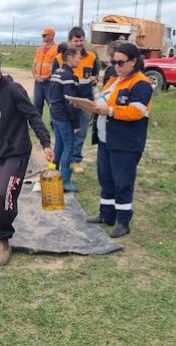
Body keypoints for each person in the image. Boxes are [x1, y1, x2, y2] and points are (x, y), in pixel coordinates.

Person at [0, 55, 54, 266]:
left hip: (17, 153)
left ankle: (4, 241)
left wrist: (46, 143)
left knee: (6, 195)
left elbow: (33, 116)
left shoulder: (13, 91)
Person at [80, 43, 153, 238]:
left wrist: (110, 111)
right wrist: (92, 108)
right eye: (113, 62)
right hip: (106, 139)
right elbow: (102, 102)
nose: (116, 66)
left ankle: (123, 221)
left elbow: (137, 111)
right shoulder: (113, 80)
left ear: (134, 62)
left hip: (126, 142)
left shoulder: (141, 84)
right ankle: (106, 215)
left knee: (123, 182)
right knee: (106, 178)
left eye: (121, 63)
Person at [53, 26, 100, 174]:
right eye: (76, 40)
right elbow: (54, 83)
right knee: (65, 138)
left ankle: (75, 161)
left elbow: (96, 74)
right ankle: (62, 171)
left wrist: (95, 79)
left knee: (81, 133)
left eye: (81, 40)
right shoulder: (59, 58)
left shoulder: (92, 57)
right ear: (70, 41)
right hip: (67, 104)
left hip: (85, 101)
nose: (79, 43)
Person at [48, 47, 82, 192]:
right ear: (69, 58)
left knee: (59, 146)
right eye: (77, 57)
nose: (79, 60)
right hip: (64, 117)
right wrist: (75, 122)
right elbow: (70, 102)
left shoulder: (57, 72)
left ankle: (51, 174)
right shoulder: (68, 76)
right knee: (69, 147)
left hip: (55, 114)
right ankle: (65, 181)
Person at [32, 27, 59, 118]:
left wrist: (47, 77)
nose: (43, 37)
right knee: (37, 104)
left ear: (52, 36)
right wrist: (35, 76)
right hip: (38, 82)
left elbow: (57, 66)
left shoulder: (57, 49)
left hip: (50, 83)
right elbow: (34, 64)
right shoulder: (39, 49)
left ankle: (54, 124)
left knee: (52, 104)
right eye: (42, 35)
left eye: (45, 35)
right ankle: (36, 125)